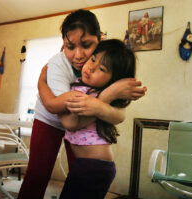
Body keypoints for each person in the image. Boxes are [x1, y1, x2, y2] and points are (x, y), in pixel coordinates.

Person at [18, 9, 147, 199]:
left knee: (79, 172)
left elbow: (119, 115)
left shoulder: (107, 59)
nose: (79, 56)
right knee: (38, 173)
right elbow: (56, 107)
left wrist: (107, 100)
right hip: (51, 118)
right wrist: (41, 83)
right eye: (70, 47)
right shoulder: (58, 65)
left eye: (87, 45)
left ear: (100, 39)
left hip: (81, 125)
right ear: (63, 44)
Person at [58, 39, 137, 199]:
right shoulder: (82, 87)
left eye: (102, 68)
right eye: (93, 59)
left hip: (94, 166)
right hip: (88, 164)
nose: (91, 67)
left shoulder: (93, 95)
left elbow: (74, 123)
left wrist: (105, 97)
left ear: (113, 80)